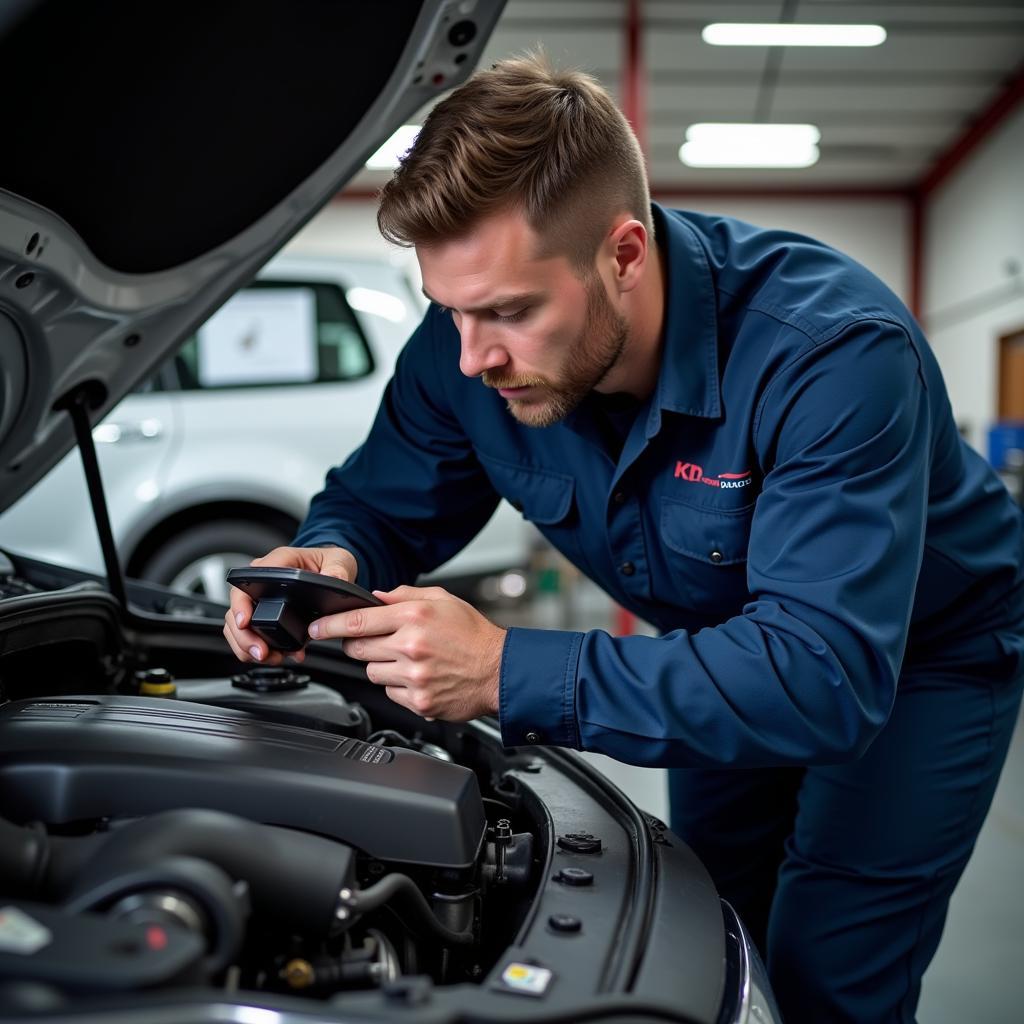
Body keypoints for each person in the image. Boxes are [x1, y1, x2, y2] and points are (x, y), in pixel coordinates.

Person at [224, 54, 1024, 1023]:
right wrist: (333, 556)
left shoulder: (833, 355)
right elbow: (383, 502)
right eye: (453, 310)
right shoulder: (466, 351)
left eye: (511, 312)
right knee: (713, 923)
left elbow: (823, 673)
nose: (474, 356)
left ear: (625, 255)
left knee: (824, 967)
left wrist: (505, 669)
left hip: (917, 657)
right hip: (714, 640)